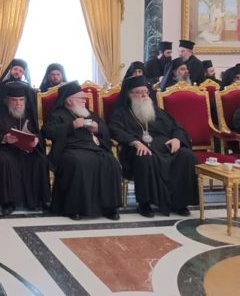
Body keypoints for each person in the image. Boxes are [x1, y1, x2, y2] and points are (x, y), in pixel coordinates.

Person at [108, 75, 197, 217]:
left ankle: (180, 203)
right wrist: (135, 142)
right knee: (145, 157)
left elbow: (177, 127)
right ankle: (145, 203)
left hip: (165, 146)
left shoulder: (157, 111)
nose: (144, 95)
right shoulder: (121, 113)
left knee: (187, 156)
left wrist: (177, 139)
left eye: (146, 92)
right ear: (129, 94)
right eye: (139, 92)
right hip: (137, 148)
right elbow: (115, 130)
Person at [41, 81, 122, 221]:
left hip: (93, 148)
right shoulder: (57, 115)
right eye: (81, 98)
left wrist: (97, 129)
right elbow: (47, 131)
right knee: (78, 162)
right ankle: (75, 208)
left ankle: (109, 207)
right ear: (69, 100)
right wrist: (71, 125)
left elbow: (106, 130)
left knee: (111, 163)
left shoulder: (89, 114)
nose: (85, 101)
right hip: (69, 149)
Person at [0, 81, 50, 215]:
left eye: (21, 100)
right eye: (14, 100)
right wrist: (4, 138)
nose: (18, 104)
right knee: (5, 161)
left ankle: (36, 201)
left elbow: (38, 133)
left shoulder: (30, 113)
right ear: (7, 100)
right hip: (5, 149)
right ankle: (8, 203)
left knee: (40, 160)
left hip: (27, 150)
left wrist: (36, 140)